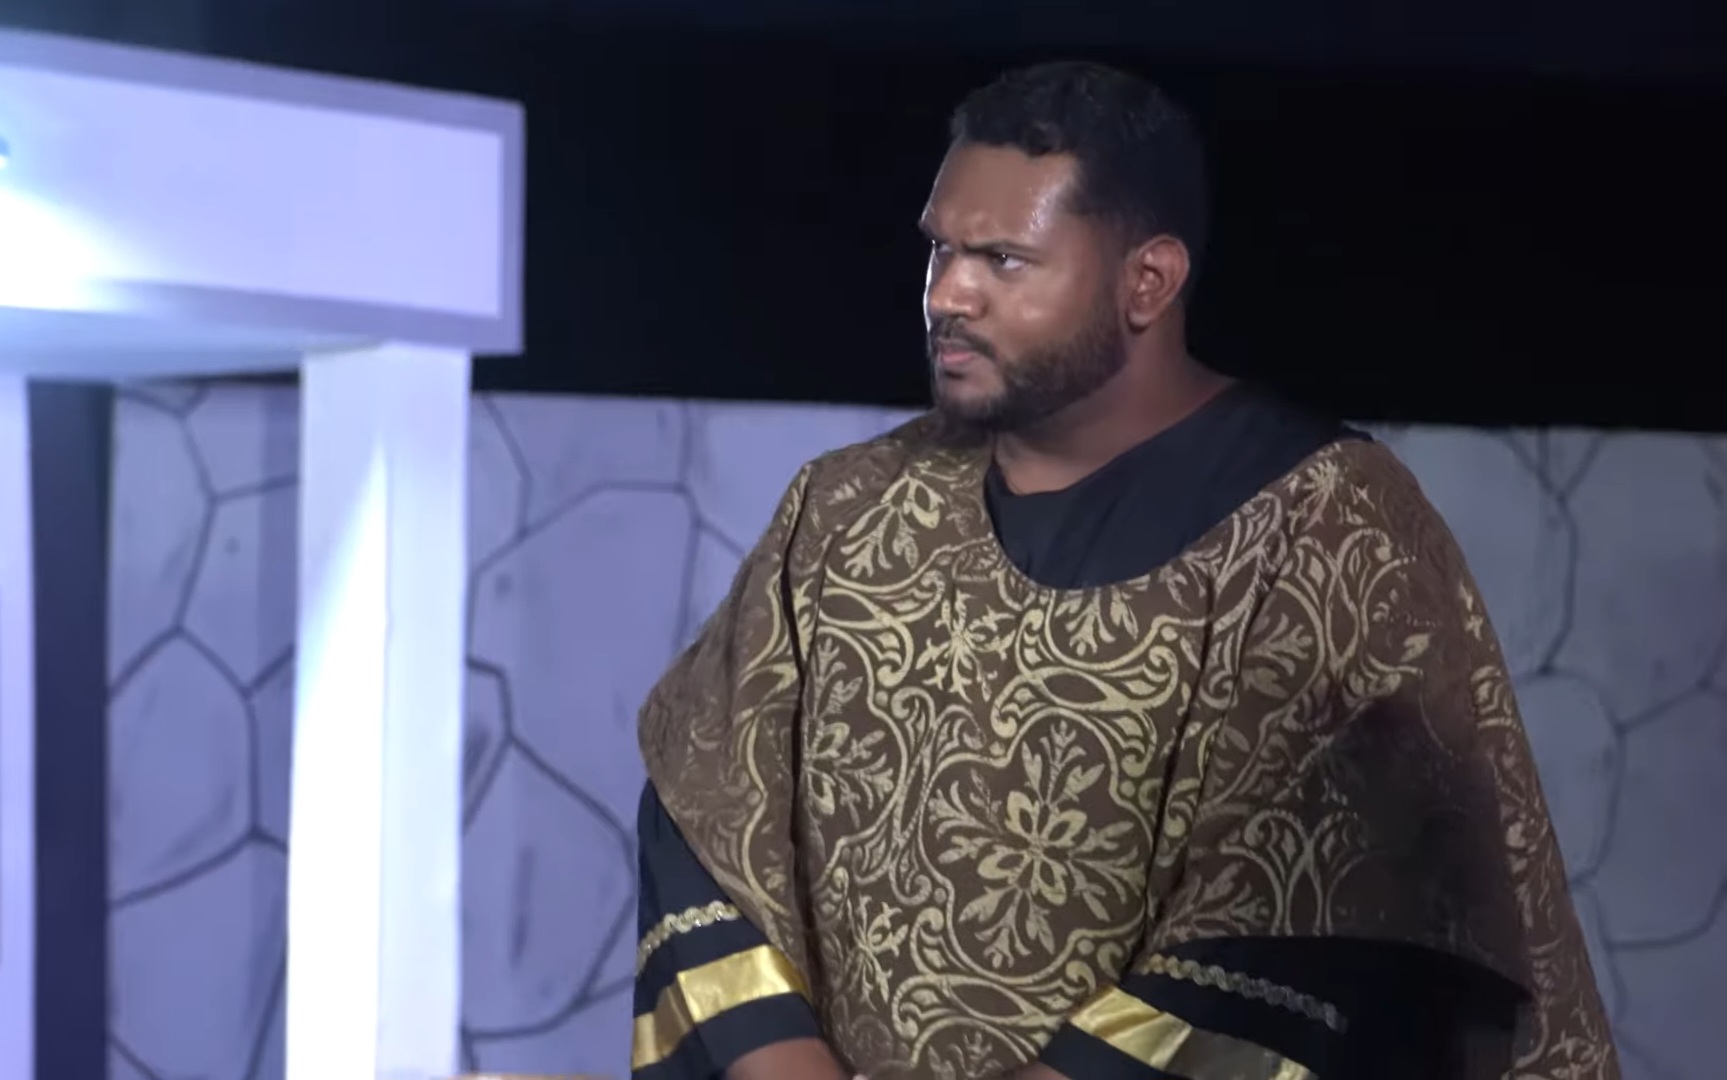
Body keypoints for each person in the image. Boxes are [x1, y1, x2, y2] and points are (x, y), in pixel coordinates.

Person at [630, 60, 1617, 1080]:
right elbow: (707, 815)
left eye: (1003, 259)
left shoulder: (1325, 526)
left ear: (1147, 281)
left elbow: (1318, 908)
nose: (948, 294)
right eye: (939, 249)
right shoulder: (842, 512)